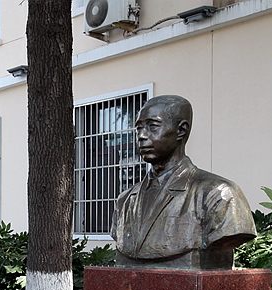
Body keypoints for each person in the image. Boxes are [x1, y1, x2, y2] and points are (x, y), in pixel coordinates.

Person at [110, 94, 257, 269]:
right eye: (139, 128)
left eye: (152, 126)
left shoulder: (218, 193)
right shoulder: (125, 201)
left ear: (181, 131)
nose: (141, 135)